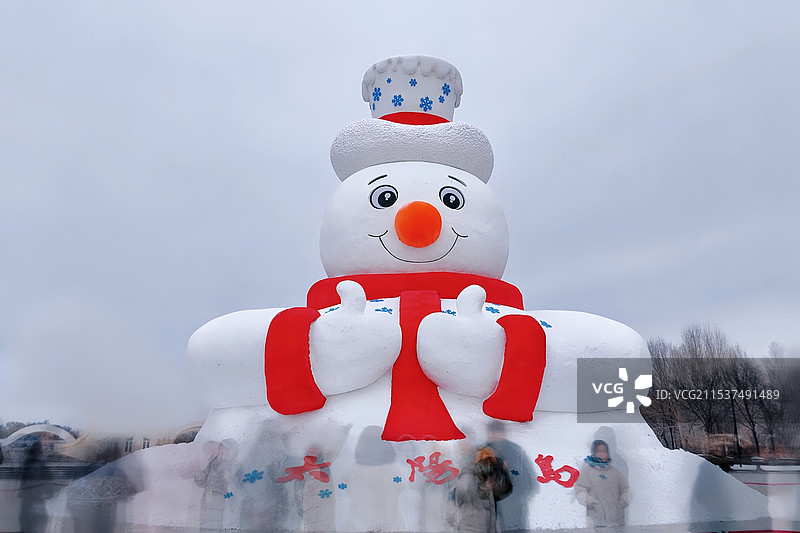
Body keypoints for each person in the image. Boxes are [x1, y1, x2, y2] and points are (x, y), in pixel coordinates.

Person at [451, 446, 512, 533]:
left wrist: (501, 477)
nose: (488, 465)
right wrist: (484, 489)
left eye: (491, 462)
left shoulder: (487, 477)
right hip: (470, 526)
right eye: (484, 461)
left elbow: (504, 491)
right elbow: (466, 496)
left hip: (487, 525)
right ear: (477, 461)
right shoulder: (468, 477)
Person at [574, 439, 630, 530]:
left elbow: (625, 489)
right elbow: (580, 489)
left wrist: (622, 502)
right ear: (594, 453)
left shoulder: (614, 472)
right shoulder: (588, 471)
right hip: (596, 520)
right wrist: (591, 501)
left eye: (605, 452)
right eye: (599, 451)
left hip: (616, 521)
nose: (602, 455)